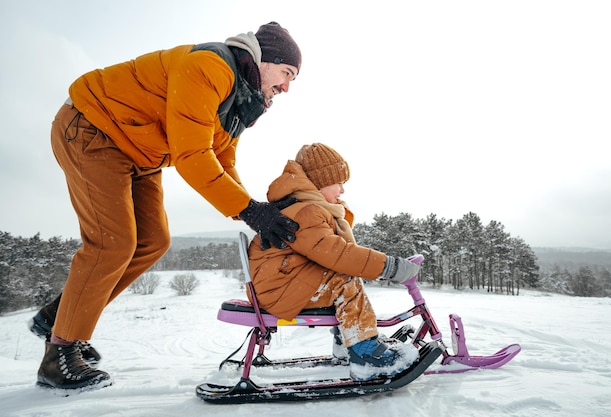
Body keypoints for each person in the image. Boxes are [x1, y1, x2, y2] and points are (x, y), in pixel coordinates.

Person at [30, 22, 302, 391]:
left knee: (153, 241)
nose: (286, 87)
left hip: (140, 151)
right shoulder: (212, 67)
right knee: (112, 243)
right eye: (287, 74)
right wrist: (249, 210)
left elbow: (223, 161)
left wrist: (254, 209)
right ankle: (58, 354)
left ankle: (58, 316)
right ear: (265, 61)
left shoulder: (241, 99)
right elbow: (193, 157)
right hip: (94, 126)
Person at [247, 143, 420, 381]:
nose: (342, 190)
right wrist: (390, 267)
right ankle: (365, 354)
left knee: (341, 277)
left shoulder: (304, 207)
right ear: (319, 182)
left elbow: (333, 252)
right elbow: (337, 253)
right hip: (279, 289)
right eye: (338, 183)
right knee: (344, 280)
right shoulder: (306, 212)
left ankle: (348, 342)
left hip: (281, 284)